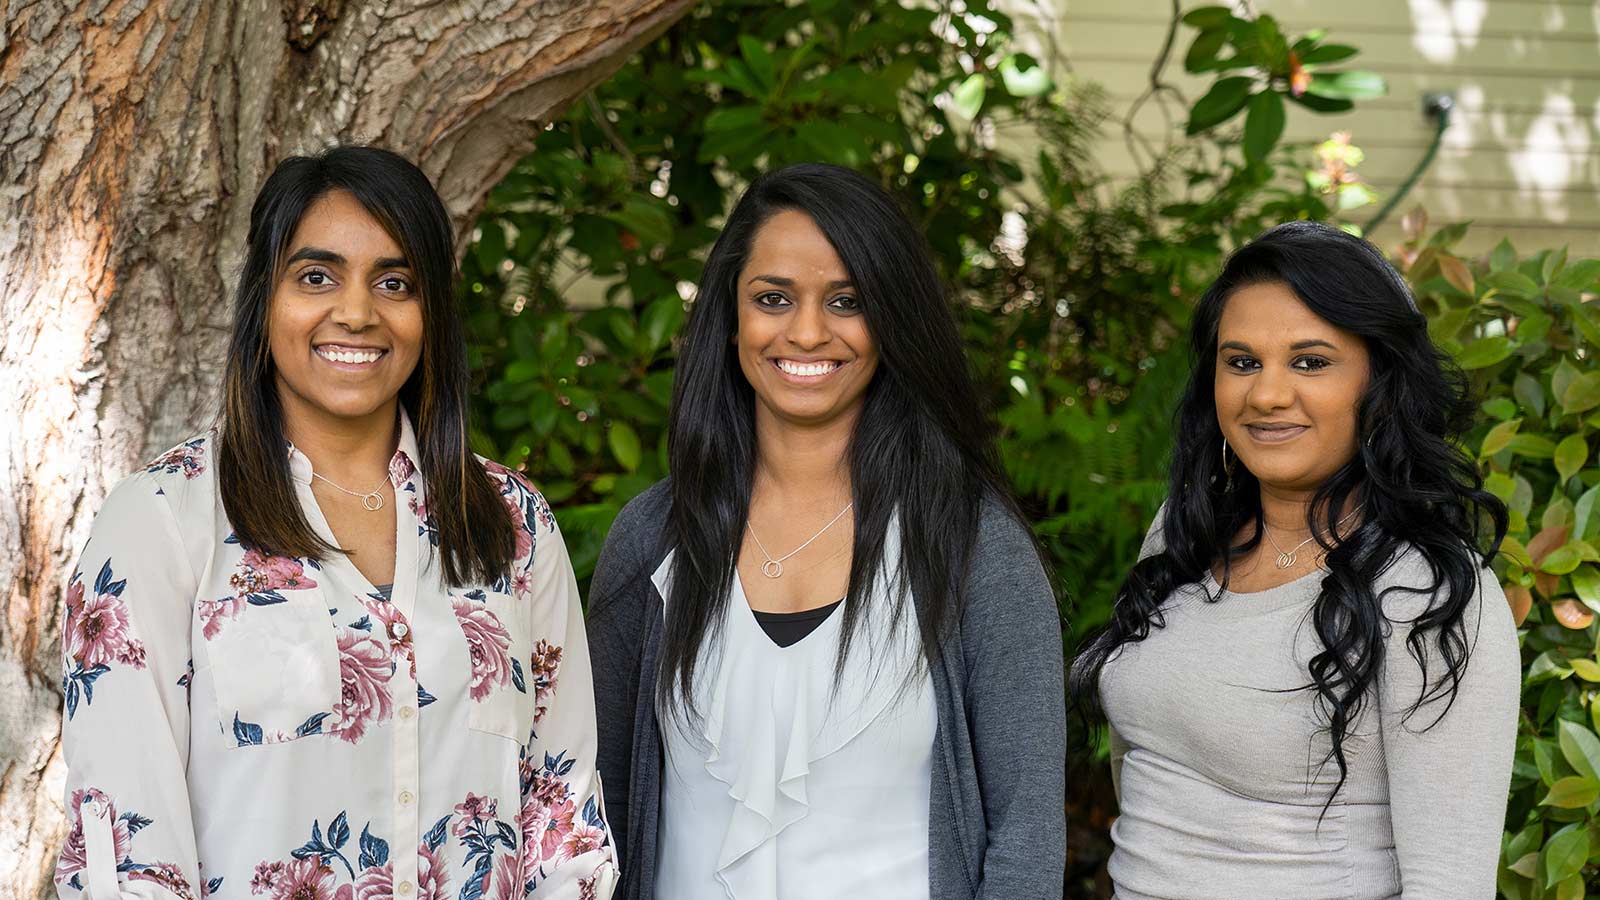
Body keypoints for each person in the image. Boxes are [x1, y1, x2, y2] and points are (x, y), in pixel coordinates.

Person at [55, 146, 615, 899]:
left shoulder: (511, 525)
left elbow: (562, 819)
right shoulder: (162, 523)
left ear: (431, 313)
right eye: (316, 277)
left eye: (394, 282)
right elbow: (125, 851)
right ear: (265, 298)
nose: (356, 312)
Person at [585, 163, 1067, 900]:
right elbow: (599, 814)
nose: (807, 332)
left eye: (847, 301)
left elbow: (1027, 837)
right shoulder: (654, 537)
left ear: (892, 319)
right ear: (731, 317)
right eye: (773, 298)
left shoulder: (973, 547)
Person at [1072, 220, 1519, 898]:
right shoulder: (1185, 536)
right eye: (1242, 361)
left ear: (1380, 381)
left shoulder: (1429, 591)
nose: (1266, 395)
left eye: (1310, 362)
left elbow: (1449, 883)